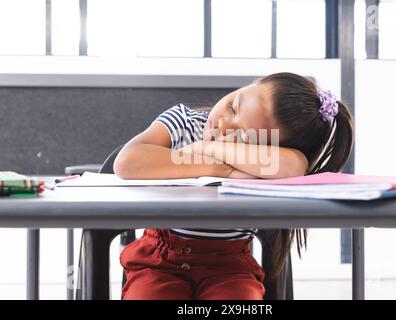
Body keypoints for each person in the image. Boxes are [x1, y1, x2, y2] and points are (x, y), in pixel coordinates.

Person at [114, 72, 354, 300]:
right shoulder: (184, 123)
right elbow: (127, 162)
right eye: (233, 105)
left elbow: (295, 166)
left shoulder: (267, 158)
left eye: (245, 137)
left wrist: (208, 147)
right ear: (250, 84)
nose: (224, 124)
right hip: (159, 261)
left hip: (228, 267)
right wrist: (218, 168)